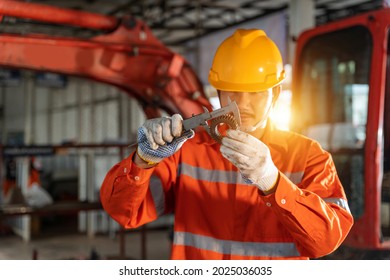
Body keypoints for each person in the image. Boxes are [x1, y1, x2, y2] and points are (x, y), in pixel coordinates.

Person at [100, 29, 353, 260]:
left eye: (255, 93)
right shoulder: (187, 150)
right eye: (232, 91)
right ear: (218, 93)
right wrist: (143, 160)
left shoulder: (310, 157)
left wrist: (273, 182)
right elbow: (126, 213)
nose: (242, 104)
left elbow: (326, 241)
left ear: (274, 94)